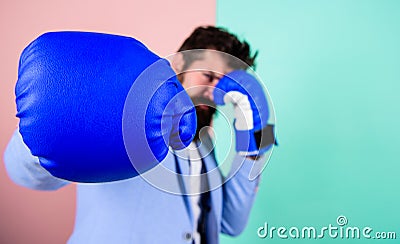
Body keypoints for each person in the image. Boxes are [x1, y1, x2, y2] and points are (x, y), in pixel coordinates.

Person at [4, 26, 275, 244]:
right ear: (179, 64)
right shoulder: (130, 111)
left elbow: (232, 223)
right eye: (208, 76)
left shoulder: (206, 146)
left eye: (227, 85)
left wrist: (255, 141)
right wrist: (46, 126)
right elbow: (24, 175)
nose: (214, 92)